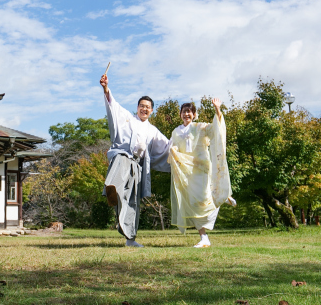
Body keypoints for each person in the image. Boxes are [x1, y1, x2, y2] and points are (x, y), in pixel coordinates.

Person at [100, 73, 172, 247]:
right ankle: (113, 190)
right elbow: (113, 107)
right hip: (124, 157)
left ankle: (130, 238)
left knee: (132, 201)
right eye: (141, 106)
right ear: (137, 107)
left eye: (148, 107)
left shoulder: (153, 130)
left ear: (152, 110)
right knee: (119, 164)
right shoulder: (127, 118)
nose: (144, 109)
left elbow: (167, 146)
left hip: (137, 166)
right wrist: (106, 89)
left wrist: (180, 149)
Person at [168, 99, 235, 248]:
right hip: (186, 172)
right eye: (184, 111)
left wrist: (218, 110)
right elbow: (172, 146)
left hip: (202, 169)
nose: (186, 114)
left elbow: (216, 130)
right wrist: (173, 152)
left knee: (204, 199)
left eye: (189, 111)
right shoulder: (176, 131)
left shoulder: (201, 127)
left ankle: (221, 195)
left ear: (194, 114)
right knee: (193, 204)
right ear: (180, 114)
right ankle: (204, 237)